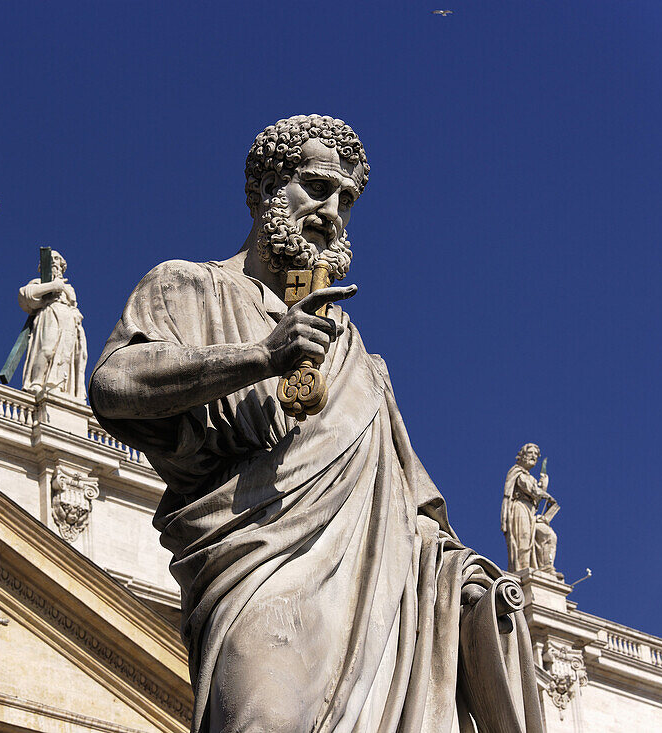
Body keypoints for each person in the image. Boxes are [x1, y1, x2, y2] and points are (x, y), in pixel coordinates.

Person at [90, 115, 543, 732]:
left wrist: (456, 580)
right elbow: (114, 386)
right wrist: (260, 357)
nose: (331, 210)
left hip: (373, 597)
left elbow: (406, 505)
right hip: (255, 575)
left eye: (347, 199)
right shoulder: (189, 286)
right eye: (317, 185)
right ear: (267, 189)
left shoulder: (355, 354)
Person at [18, 250, 87, 398]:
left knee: (66, 355)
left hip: (69, 318)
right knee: (47, 349)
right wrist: (53, 286)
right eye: (50, 259)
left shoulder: (69, 288)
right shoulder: (39, 282)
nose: (54, 261)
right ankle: (37, 383)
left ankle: (58, 386)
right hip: (50, 313)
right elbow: (26, 294)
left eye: (57, 258)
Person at [501, 442, 555, 572]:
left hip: (531, 512)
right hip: (520, 509)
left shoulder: (531, 478)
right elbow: (530, 489)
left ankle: (545, 567)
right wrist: (544, 493)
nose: (534, 457)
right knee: (523, 539)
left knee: (548, 534)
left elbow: (535, 492)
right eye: (531, 453)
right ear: (522, 455)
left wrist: (543, 486)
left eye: (536, 454)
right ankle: (522, 569)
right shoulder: (517, 472)